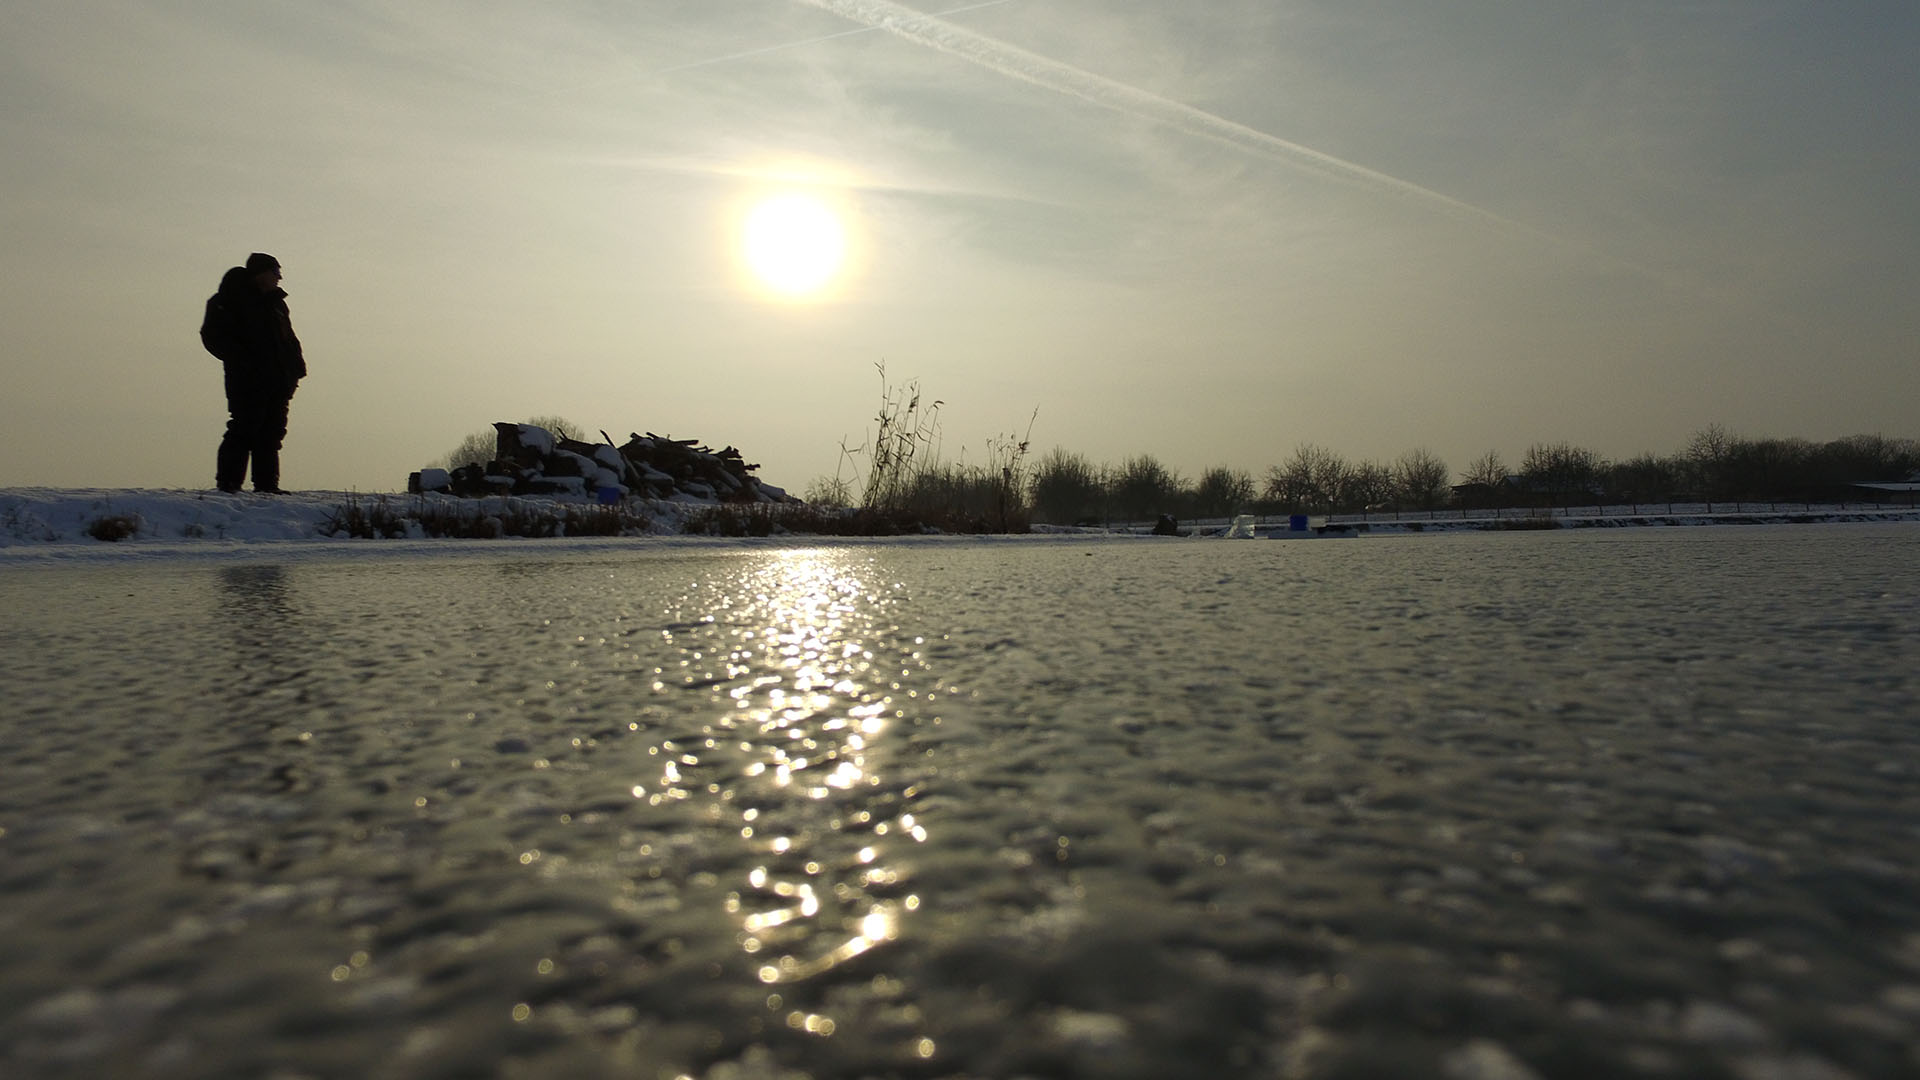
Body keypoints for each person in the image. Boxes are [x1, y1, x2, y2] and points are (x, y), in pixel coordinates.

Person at [201, 253, 306, 493]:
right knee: (244, 428)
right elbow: (213, 337)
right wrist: (243, 362)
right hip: (246, 380)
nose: (279, 277)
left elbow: (288, 339)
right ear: (261, 273)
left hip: (278, 381)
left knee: (271, 433)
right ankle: (228, 486)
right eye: (275, 272)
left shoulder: (277, 304)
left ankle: (267, 486)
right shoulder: (228, 300)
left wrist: (295, 370)